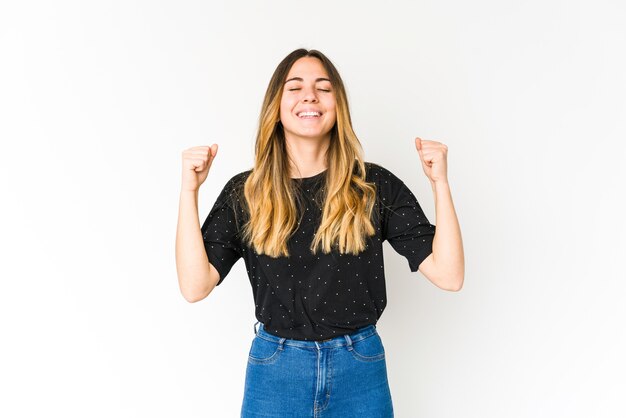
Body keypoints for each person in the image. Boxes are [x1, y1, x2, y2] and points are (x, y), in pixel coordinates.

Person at [175, 48, 464, 418]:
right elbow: (194, 286)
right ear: (276, 107)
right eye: (295, 87)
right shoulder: (245, 192)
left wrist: (440, 182)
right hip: (276, 372)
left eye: (323, 88)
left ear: (338, 105)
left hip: (359, 367)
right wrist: (189, 191)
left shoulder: (372, 185)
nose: (309, 95)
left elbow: (450, 274)